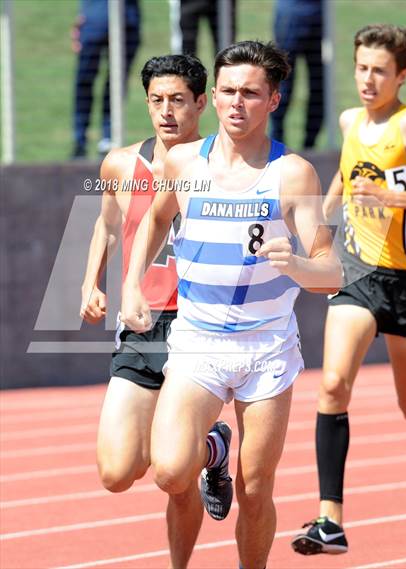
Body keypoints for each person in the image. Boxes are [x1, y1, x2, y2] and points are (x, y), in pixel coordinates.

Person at [121, 40, 342, 568]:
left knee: (255, 489)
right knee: (172, 471)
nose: (236, 103)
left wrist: (296, 266)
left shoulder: (293, 174)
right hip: (198, 342)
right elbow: (154, 222)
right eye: (227, 91)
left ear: (274, 100)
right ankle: (212, 452)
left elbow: (331, 271)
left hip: (265, 348)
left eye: (250, 92)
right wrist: (132, 284)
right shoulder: (180, 162)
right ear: (212, 97)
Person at [80, 54, 234, 567]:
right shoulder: (121, 164)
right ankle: (213, 444)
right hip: (143, 324)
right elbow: (104, 224)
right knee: (117, 472)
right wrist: (91, 283)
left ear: (200, 102)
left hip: (199, 327)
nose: (166, 111)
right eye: (156, 100)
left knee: (174, 474)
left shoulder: (223, 167)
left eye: (177, 100)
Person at [292, 24, 406, 556]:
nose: (368, 80)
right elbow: (346, 181)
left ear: (402, 75)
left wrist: (394, 198)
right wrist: (316, 232)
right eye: (361, 68)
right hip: (357, 273)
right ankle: (330, 521)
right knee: (332, 385)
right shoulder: (349, 121)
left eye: (380, 71)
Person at [71, 0, 140, 159]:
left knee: (116, 84)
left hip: (126, 20)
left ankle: (109, 138)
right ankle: (80, 142)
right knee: (85, 81)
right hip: (94, 18)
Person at [271, 0, 324, 148]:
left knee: (319, 84)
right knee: (282, 81)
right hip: (290, 13)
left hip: (318, 14)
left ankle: (310, 145)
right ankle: (276, 145)